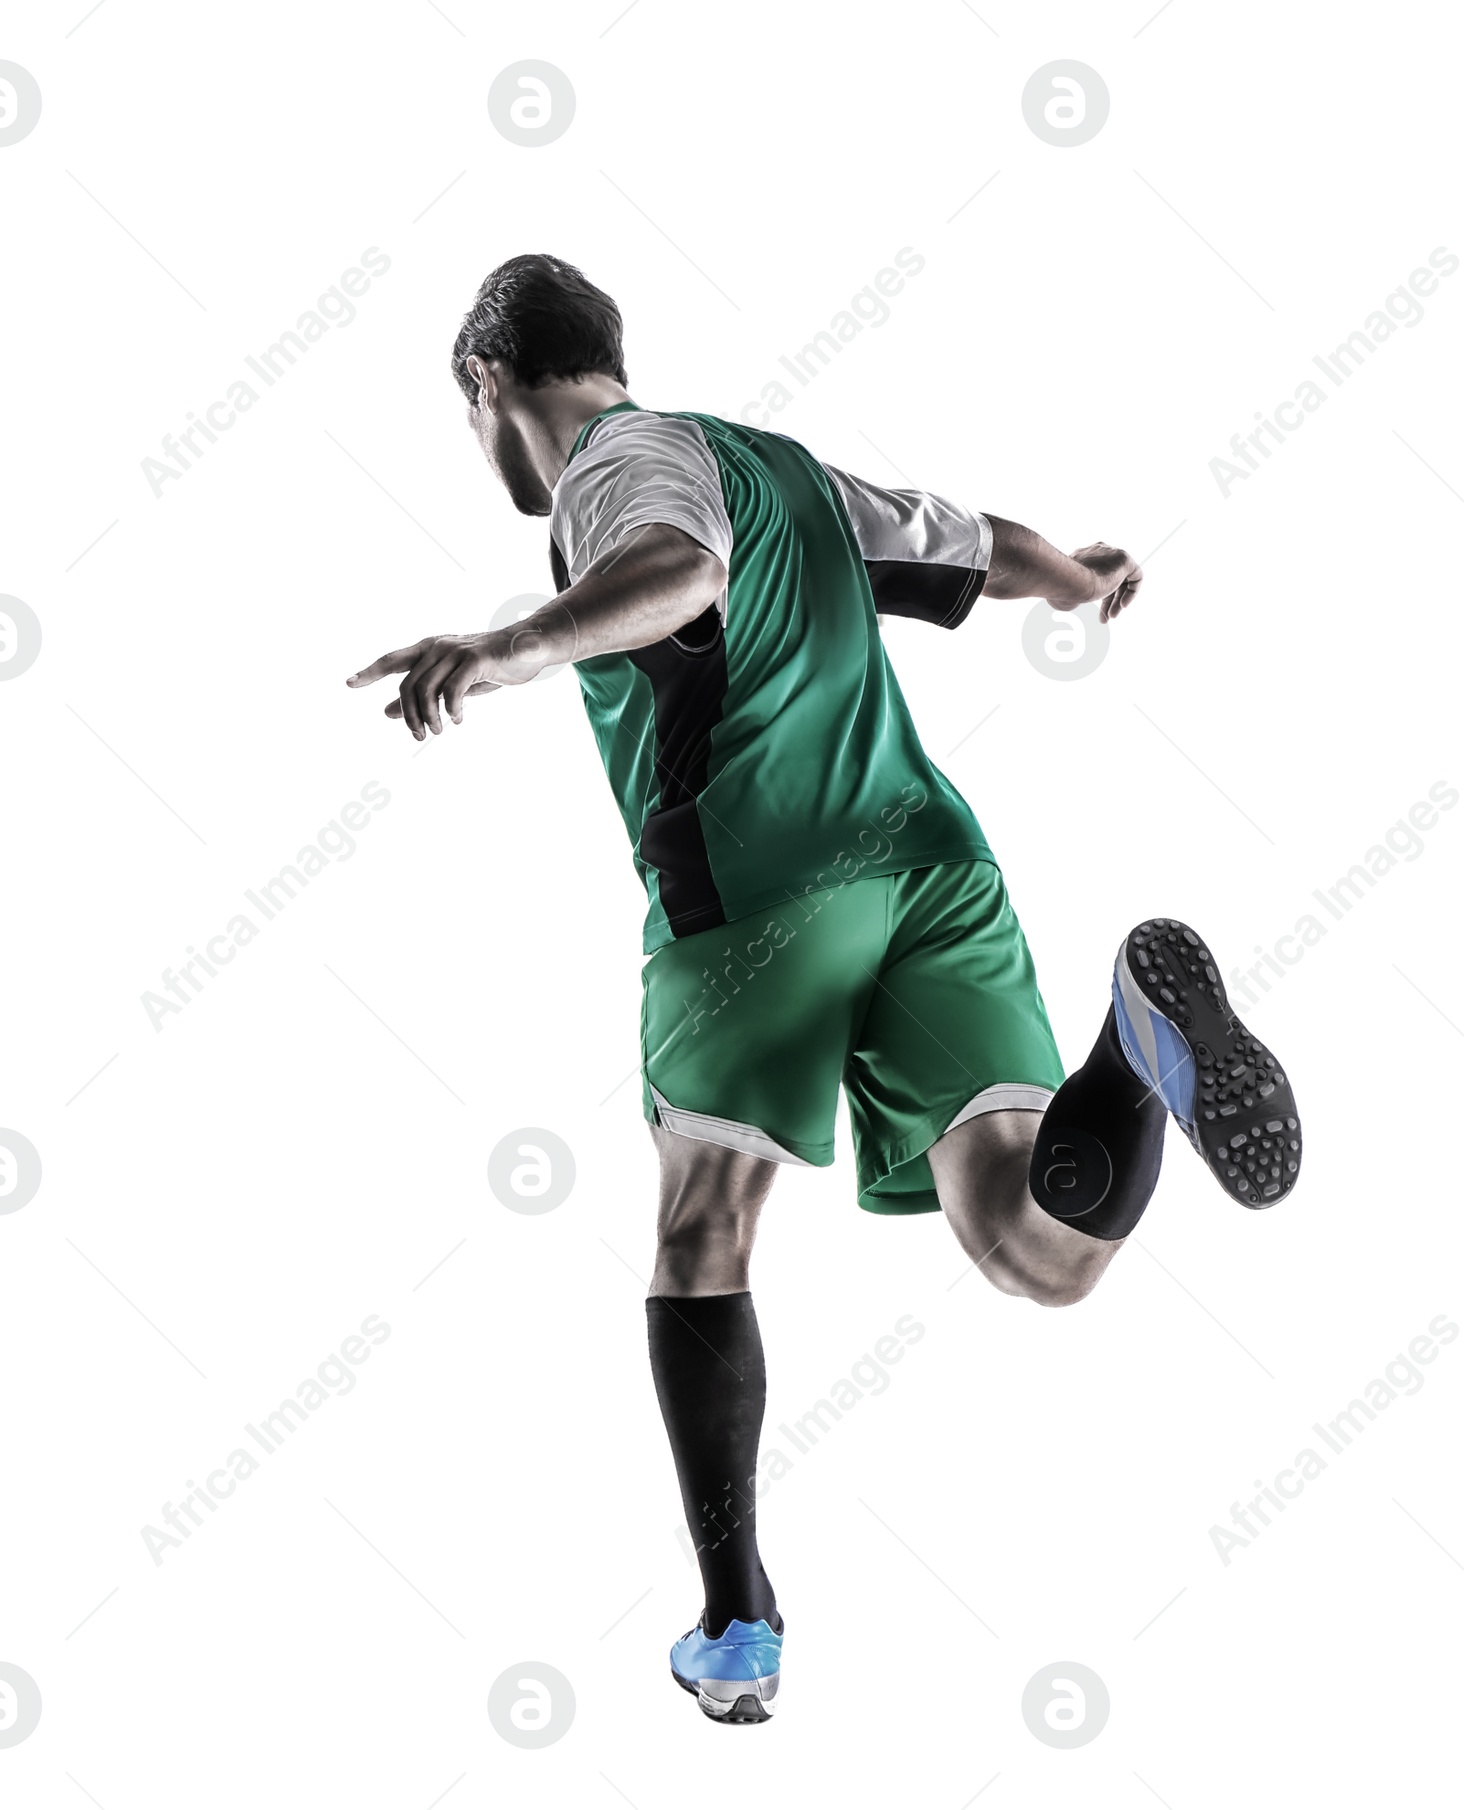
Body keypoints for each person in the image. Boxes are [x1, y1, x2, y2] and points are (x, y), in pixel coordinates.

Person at [348, 253, 1303, 1725]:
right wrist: (1078, 575)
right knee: (1038, 1253)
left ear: (490, 384)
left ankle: (739, 1622)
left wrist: (506, 647)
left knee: (700, 1231)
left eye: (471, 413)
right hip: (928, 867)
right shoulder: (773, 460)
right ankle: (1135, 1039)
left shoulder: (618, 464)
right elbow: (967, 543)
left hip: (759, 914)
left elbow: (676, 573)